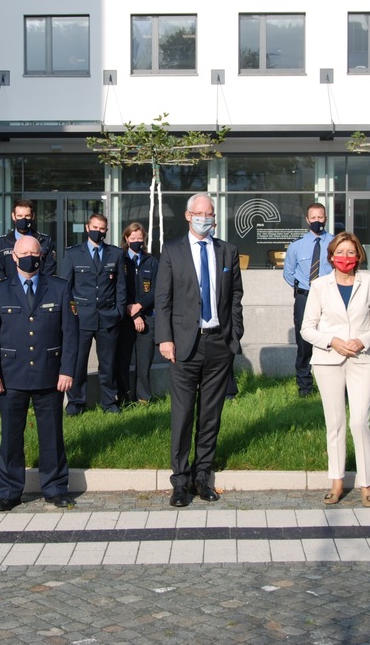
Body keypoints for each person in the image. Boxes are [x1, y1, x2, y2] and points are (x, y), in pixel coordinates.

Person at [154, 193, 244, 508]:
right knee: (182, 415)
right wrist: (164, 339)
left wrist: (235, 334)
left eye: (210, 212)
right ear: (188, 215)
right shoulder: (171, 251)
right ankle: (180, 482)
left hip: (219, 344)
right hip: (183, 346)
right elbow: (162, 298)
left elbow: (235, 296)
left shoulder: (227, 251)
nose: (206, 217)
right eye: (200, 212)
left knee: (210, 415)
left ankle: (202, 476)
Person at [0, 233, 79, 511]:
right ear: (13, 257)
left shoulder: (59, 288)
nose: (30, 258)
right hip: (11, 376)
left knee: (52, 435)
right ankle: (10, 491)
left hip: (50, 374)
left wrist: (67, 370)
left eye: (36, 254)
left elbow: (71, 335)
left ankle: (55, 488)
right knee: (11, 437)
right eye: (25, 254)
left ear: (43, 256)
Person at [299, 232, 370, 508]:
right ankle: (336, 481)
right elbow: (307, 328)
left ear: (359, 255)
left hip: (362, 358)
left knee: (360, 422)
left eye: (350, 252)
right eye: (340, 252)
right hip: (328, 360)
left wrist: (362, 340)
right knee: (335, 423)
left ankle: (366, 482)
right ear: (331, 256)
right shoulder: (319, 286)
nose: (345, 258)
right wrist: (332, 341)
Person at [59, 213, 126, 415]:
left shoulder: (115, 254)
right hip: (82, 318)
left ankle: (109, 402)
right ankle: (76, 402)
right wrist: (71, 315)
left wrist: (119, 312)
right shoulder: (72, 254)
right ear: (87, 228)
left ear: (106, 230)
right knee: (78, 363)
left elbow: (121, 287)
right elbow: (65, 288)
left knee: (108, 364)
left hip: (107, 317)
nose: (98, 231)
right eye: (95, 227)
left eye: (102, 228)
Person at [282, 203, 333, 397]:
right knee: (304, 343)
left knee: (330, 340)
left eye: (320, 218)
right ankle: (305, 387)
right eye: (313, 218)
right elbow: (288, 273)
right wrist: (306, 286)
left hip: (329, 298)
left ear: (325, 218)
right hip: (304, 297)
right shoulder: (297, 246)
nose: (317, 221)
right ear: (307, 220)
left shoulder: (335, 243)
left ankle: (332, 385)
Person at [115, 222, 158, 405]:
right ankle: (124, 399)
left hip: (147, 316)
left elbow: (157, 289)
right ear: (126, 238)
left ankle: (143, 398)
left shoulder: (152, 261)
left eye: (140, 239)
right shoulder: (119, 259)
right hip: (125, 318)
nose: (136, 242)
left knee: (144, 361)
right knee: (122, 361)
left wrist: (139, 306)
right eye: (133, 239)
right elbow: (117, 288)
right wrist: (132, 313)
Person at [0, 198, 57, 280]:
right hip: (9, 290)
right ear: (13, 216)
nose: (23, 219)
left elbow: (49, 272)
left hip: (39, 290)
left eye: (27, 216)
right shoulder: (0, 244)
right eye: (20, 216)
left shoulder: (45, 242)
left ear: (33, 216)